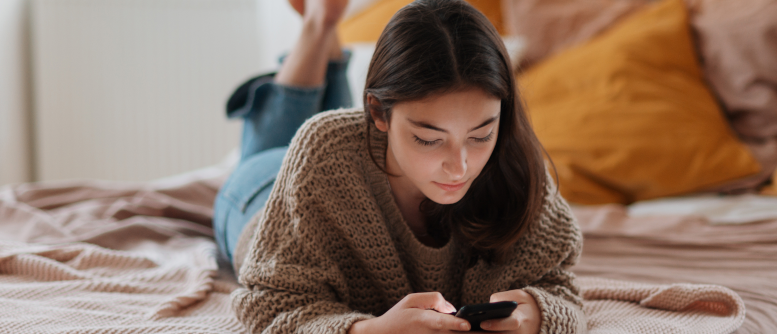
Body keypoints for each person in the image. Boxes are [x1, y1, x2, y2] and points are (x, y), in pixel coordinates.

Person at [212, 0, 586, 333]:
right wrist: (368, 331)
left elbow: (561, 289)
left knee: (331, 129)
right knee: (280, 142)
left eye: (480, 134)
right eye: (428, 138)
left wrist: (537, 314)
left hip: (344, 155)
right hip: (256, 199)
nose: (459, 168)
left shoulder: (516, 161)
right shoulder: (322, 149)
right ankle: (318, 25)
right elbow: (270, 305)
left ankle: (324, 25)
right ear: (378, 112)